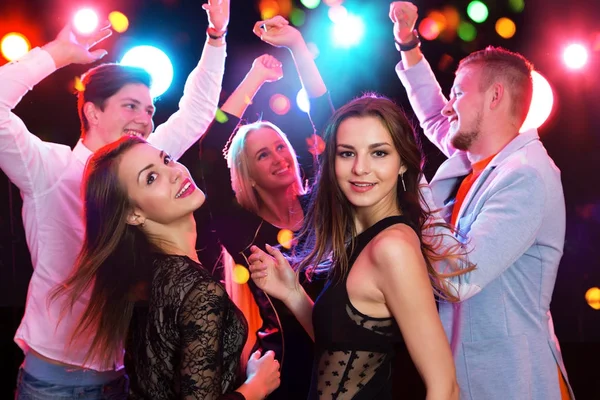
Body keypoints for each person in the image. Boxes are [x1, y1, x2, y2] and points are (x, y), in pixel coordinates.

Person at [0, 1, 229, 397]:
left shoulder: (145, 167)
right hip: (53, 383)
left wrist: (216, 37)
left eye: (150, 109)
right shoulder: (50, 169)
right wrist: (56, 55)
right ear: (92, 111)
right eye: (130, 106)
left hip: (122, 378)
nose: (145, 118)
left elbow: (196, 112)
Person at [389, 2, 574, 399]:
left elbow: (461, 277)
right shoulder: (475, 158)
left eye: (458, 92)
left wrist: (412, 187)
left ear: (494, 97)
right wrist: (408, 44)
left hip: (511, 381)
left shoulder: (526, 175)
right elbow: (435, 117)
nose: (449, 104)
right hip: (466, 377)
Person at [249, 95, 471, 400]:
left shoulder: (393, 248)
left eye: (378, 153)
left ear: (404, 163)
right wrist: (292, 293)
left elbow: (445, 387)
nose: (360, 168)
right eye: (347, 153)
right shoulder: (360, 240)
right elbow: (341, 349)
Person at [53, 135, 281, 399]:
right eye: (151, 178)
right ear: (133, 214)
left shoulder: (146, 279)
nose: (173, 173)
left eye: (166, 160)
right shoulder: (197, 291)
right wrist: (255, 387)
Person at [196, 16, 333, 399]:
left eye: (278, 147)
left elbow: (329, 122)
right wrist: (255, 78)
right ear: (248, 175)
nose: (277, 157)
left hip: (349, 357)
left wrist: (297, 47)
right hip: (287, 370)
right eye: (262, 154)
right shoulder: (244, 231)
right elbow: (209, 151)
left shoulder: (322, 207)